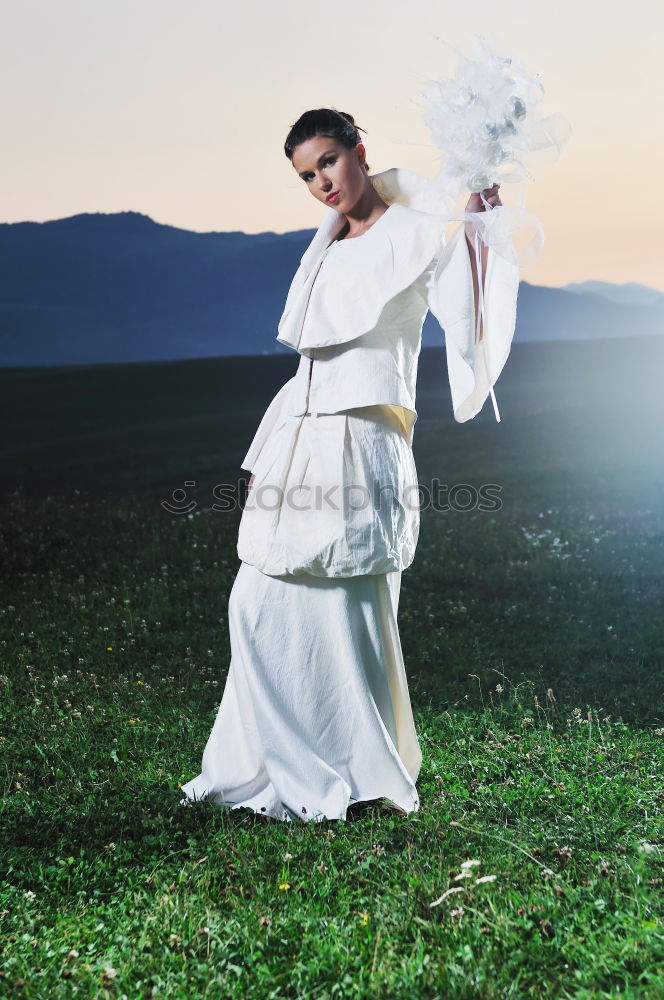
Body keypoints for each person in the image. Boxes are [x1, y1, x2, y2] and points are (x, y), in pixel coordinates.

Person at [180, 108, 519, 823]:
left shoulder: (417, 228)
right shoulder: (327, 244)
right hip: (302, 438)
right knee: (256, 602)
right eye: (306, 175)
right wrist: (271, 448)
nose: (320, 183)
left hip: (363, 436)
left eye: (328, 162)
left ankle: (358, 768)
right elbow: (311, 356)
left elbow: (469, 304)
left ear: (360, 151)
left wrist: (480, 218)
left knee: (347, 605)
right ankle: (270, 760)